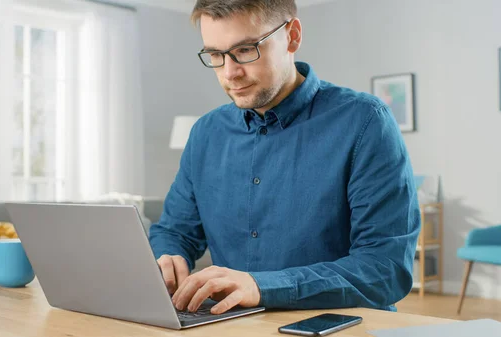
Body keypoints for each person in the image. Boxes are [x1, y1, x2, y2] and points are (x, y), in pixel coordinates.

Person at [148, 0, 420, 316]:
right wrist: (169, 256)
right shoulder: (205, 133)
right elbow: (175, 231)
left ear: (292, 36)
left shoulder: (366, 122)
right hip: (234, 326)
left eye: (246, 50)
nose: (230, 72)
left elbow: (385, 269)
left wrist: (261, 287)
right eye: (215, 55)